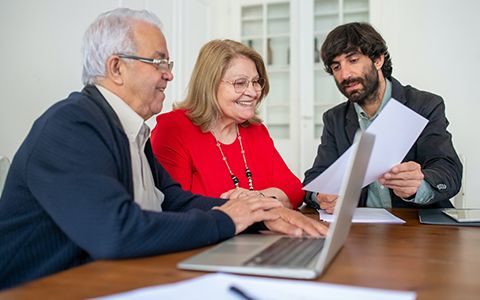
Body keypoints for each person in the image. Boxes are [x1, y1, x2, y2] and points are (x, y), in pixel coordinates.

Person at [0, 8, 328, 290]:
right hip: (45, 288)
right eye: (159, 62)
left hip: (108, 278)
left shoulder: (130, 130)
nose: (169, 74)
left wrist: (259, 215)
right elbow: (117, 231)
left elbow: (176, 201)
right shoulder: (72, 125)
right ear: (116, 68)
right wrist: (228, 220)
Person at [303, 22, 462, 212]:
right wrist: (320, 195)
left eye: (353, 60)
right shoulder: (334, 118)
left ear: (378, 60)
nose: (344, 75)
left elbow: (449, 172)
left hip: (417, 227)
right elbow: (315, 179)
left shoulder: (424, 106)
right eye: (336, 67)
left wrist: (418, 185)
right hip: (360, 230)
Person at [151, 39, 304, 209]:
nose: (253, 92)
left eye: (255, 82)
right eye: (240, 83)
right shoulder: (173, 128)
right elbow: (175, 206)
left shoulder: (256, 130)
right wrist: (254, 205)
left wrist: (259, 197)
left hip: (262, 234)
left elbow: (295, 190)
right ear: (210, 85)